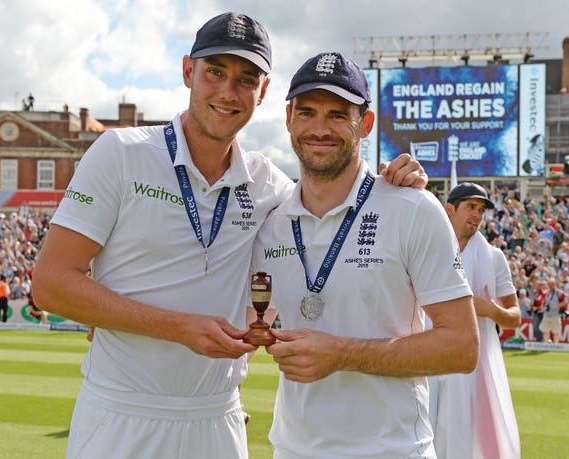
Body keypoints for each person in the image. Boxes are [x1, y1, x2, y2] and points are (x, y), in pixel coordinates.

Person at [31, 14, 426, 459]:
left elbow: (333, 198)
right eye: (215, 72)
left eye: (245, 79)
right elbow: (50, 284)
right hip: (120, 412)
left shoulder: (269, 186)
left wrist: (397, 180)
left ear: (263, 92)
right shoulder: (120, 153)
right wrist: (177, 328)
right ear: (188, 72)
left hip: (218, 419)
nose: (227, 91)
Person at [251, 52, 479, 458]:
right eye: (307, 112)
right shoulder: (270, 221)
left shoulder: (413, 208)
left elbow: (462, 346)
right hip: (292, 450)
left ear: (366, 124)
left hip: (391, 450)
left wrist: (342, 353)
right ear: (288, 119)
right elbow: (249, 324)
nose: (319, 129)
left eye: (338, 115)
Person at [428, 182, 522, 459]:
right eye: (470, 206)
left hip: (474, 364)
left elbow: (514, 317)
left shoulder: (494, 257)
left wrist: (490, 310)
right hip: (428, 355)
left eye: (481, 209)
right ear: (449, 209)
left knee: (468, 440)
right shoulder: (427, 251)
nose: (477, 215)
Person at [541, 277, 566, 343]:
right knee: (545, 331)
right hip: (547, 314)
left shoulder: (559, 293)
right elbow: (544, 302)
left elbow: (565, 301)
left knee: (556, 331)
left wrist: (557, 306)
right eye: (549, 284)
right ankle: (546, 344)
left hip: (555, 315)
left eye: (552, 284)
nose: (550, 285)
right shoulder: (546, 293)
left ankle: (556, 346)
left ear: (555, 284)